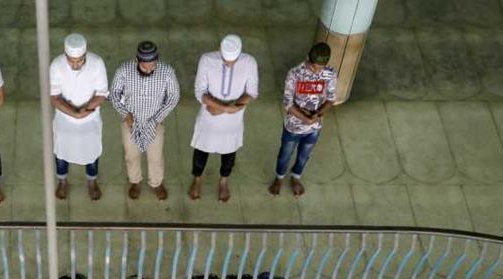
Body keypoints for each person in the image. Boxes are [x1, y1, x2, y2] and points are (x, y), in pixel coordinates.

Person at [189, 35, 257, 201]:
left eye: (233, 61)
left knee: (229, 154)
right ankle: (197, 179)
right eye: (226, 60)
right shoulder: (207, 60)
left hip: (232, 121)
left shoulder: (249, 62)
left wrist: (224, 109)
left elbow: (252, 92)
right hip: (209, 117)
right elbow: (200, 92)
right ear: (219, 49)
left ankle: (224, 181)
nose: (229, 64)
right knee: (201, 151)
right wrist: (226, 108)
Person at [109, 40, 179, 200]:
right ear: (137, 60)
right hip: (130, 121)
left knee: (155, 156)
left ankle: (156, 183)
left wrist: (158, 118)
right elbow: (114, 94)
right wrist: (125, 114)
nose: (149, 69)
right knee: (131, 155)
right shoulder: (124, 71)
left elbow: (173, 97)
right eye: (145, 66)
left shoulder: (167, 72)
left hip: (154, 121)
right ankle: (135, 181)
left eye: (152, 65)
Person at [269, 42, 337, 197]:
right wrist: (305, 118)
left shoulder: (330, 73)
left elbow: (331, 98)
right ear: (307, 58)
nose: (316, 71)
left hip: (314, 128)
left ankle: (296, 177)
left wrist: (317, 115)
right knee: (285, 154)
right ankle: (279, 178)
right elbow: (288, 102)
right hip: (293, 126)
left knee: (304, 155)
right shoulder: (295, 73)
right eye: (314, 67)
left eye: (320, 67)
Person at [50, 34, 108, 200]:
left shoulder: (97, 64)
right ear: (65, 56)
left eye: (79, 60)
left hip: (90, 120)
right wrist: (74, 113)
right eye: (71, 60)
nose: (75, 64)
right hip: (65, 120)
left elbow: (102, 94)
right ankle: (62, 181)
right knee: (61, 154)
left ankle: (92, 182)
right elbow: (54, 97)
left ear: (85, 55)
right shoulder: (56, 65)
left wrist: (84, 110)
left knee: (91, 153)